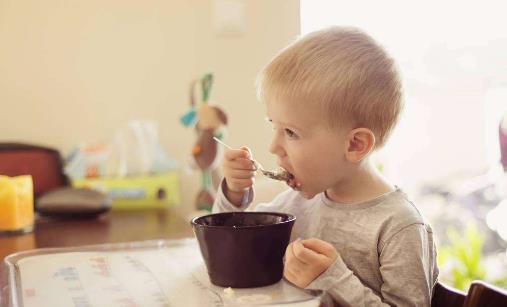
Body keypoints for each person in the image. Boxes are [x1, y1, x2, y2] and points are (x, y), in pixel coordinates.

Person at [212, 26, 438, 306]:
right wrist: (234, 193)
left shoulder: (398, 226)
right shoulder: (295, 203)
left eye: (291, 132)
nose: (273, 147)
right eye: (274, 126)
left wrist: (333, 277)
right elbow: (228, 249)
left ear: (355, 145)